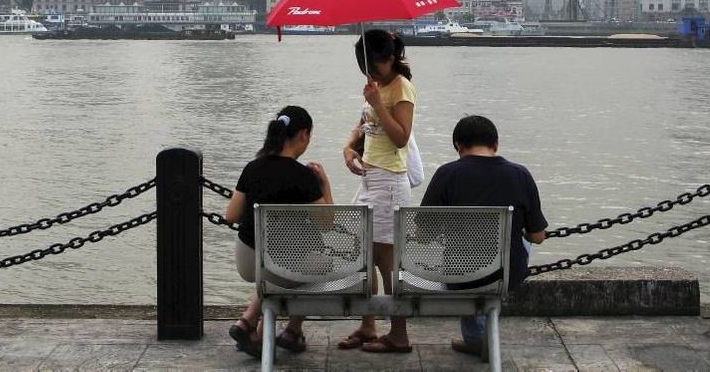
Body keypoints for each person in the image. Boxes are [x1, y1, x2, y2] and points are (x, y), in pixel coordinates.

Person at [420, 115, 548, 359]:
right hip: (507, 275)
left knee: (463, 256)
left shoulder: (447, 174)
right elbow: (538, 236)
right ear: (496, 144)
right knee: (518, 242)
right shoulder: (520, 174)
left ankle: (476, 339)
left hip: (458, 275)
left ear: (458, 146)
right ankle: (479, 340)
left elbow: (424, 234)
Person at [223, 106, 333, 358]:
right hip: (286, 267)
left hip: (248, 262)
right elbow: (327, 224)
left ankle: (251, 323)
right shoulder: (303, 176)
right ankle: (292, 331)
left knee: (277, 267)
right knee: (318, 263)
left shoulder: (253, 167)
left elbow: (231, 216)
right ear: (303, 135)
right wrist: (324, 184)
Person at [340, 29, 416, 354]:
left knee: (387, 261)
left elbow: (400, 137)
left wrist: (377, 103)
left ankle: (398, 332)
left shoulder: (401, 88)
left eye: (374, 66)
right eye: (365, 69)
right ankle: (369, 324)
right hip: (369, 177)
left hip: (390, 182)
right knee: (363, 255)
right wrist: (348, 148)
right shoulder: (377, 87)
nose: (370, 74)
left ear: (389, 59)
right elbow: (363, 126)